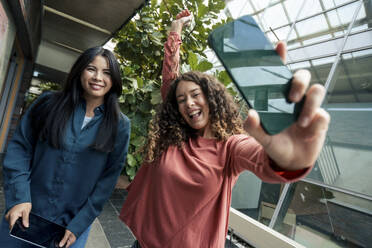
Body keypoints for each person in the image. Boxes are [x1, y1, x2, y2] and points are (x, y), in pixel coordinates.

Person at [119, 10, 330, 248]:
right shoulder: (176, 134)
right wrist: (175, 30)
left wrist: (288, 161)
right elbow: (170, 76)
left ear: (212, 99)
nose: (188, 102)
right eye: (181, 100)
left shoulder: (231, 147)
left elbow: (260, 159)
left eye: (195, 95)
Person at [0, 47, 131, 248]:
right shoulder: (48, 103)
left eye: (106, 72)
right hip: (26, 213)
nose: (98, 77)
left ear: (114, 79)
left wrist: (79, 224)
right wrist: (19, 198)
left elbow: (107, 181)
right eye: (91, 69)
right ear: (79, 71)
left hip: (69, 228)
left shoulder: (119, 125)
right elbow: (21, 148)